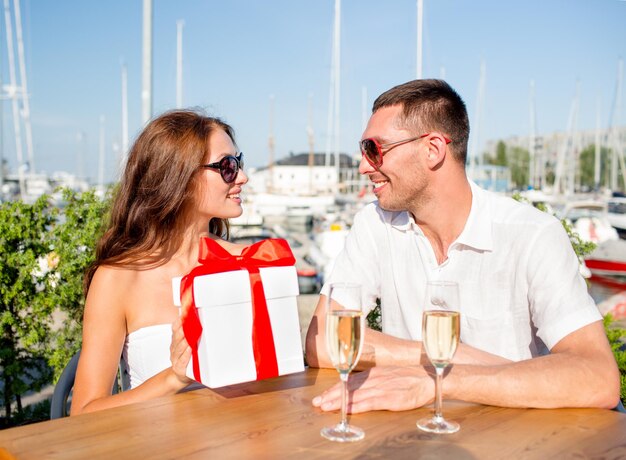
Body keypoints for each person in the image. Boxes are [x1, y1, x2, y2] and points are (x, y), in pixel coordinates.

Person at [305, 79, 620, 413]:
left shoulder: (532, 235)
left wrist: (442, 379)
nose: (363, 165)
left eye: (374, 148)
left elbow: (598, 378)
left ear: (433, 149)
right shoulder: (375, 225)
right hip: (411, 439)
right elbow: (322, 341)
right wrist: (446, 353)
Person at [71, 109, 248, 415]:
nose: (243, 177)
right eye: (228, 167)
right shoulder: (120, 278)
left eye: (238, 163)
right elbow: (84, 411)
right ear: (180, 176)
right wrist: (174, 377)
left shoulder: (246, 264)